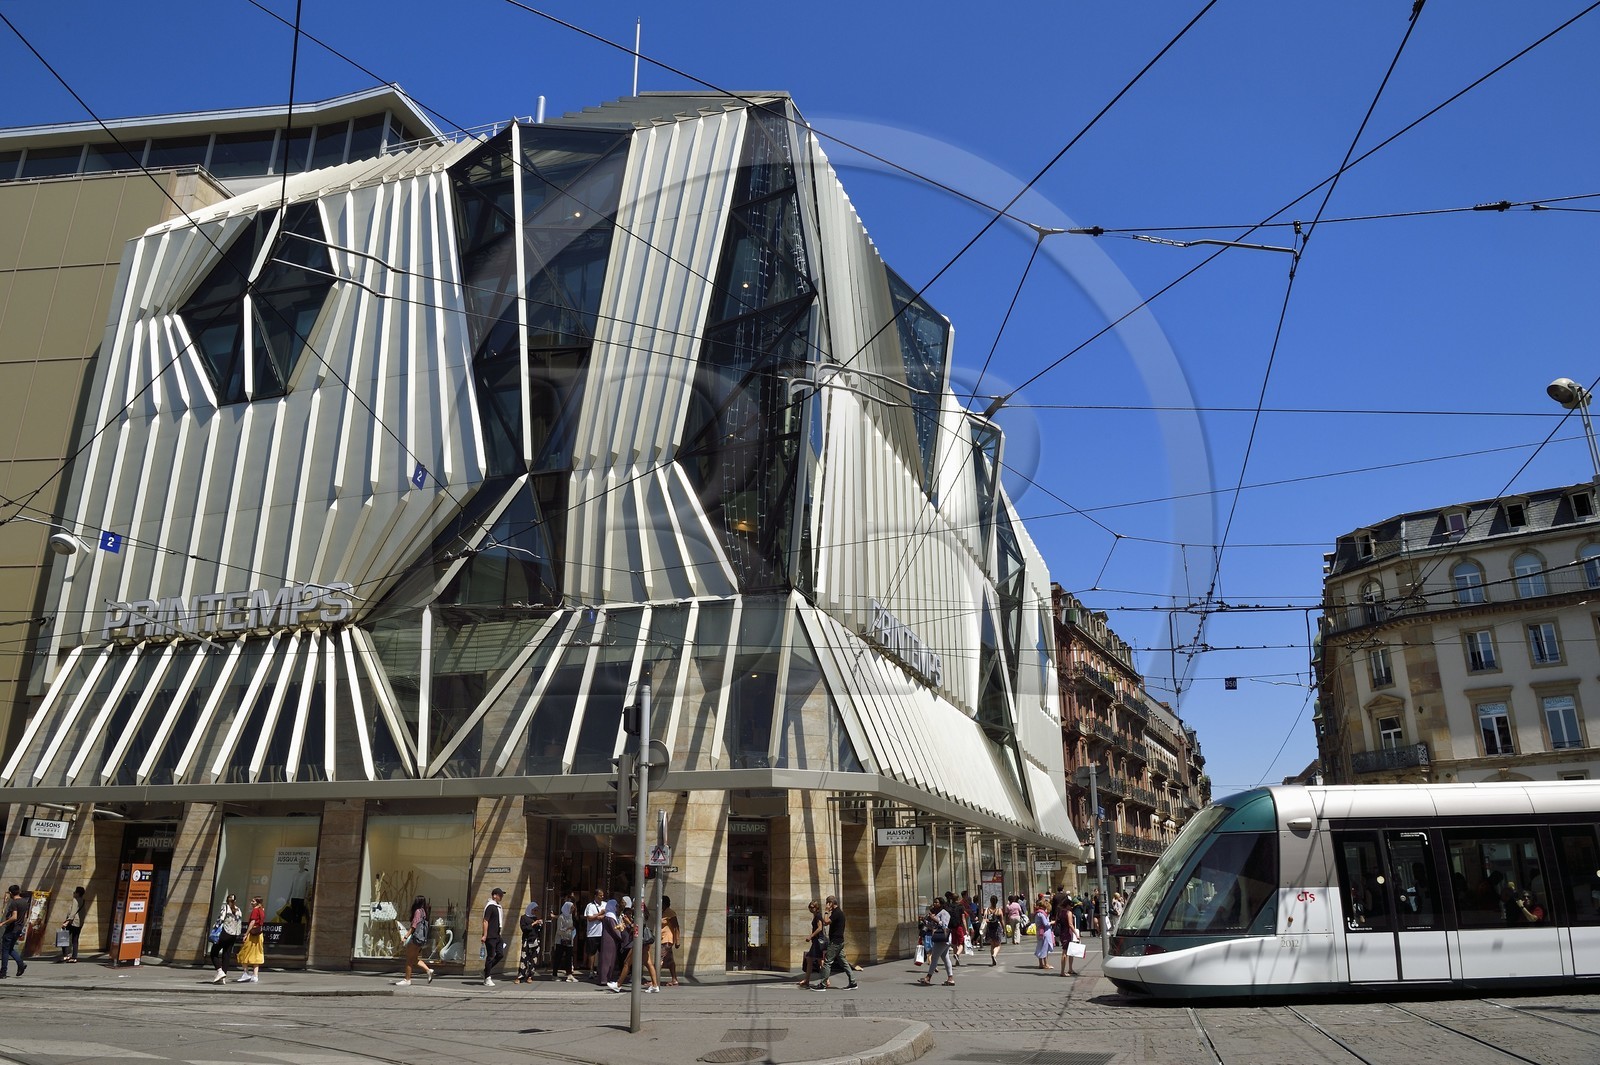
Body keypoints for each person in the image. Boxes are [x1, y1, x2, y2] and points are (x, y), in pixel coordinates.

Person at [808, 895, 857, 990]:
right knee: (844, 963)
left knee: (827, 962)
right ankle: (853, 982)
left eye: (827, 903)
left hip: (835, 942)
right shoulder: (838, 913)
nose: (827, 906)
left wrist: (826, 911)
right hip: (840, 941)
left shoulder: (837, 913)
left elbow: (825, 922)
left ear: (831, 903)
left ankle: (822, 984)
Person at [396, 894, 435, 986]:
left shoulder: (418, 911)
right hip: (421, 939)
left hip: (415, 938)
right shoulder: (424, 912)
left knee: (409, 959)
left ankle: (407, 980)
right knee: (414, 959)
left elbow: (414, 926)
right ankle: (428, 970)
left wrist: (405, 937)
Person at [916, 900, 954, 986]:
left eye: (937, 902)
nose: (935, 904)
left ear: (941, 904)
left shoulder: (944, 913)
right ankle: (950, 978)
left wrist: (935, 919)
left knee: (934, 958)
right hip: (940, 938)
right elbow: (931, 926)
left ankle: (928, 978)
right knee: (945, 957)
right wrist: (925, 921)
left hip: (942, 938)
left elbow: (944, 925)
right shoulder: (935, 913)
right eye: (934, 902)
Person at [210, 892, 243, 983]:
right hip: (233, 935)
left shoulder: (225, 907)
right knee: (226, 955)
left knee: (213, 952)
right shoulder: (238, 910)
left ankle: (220, 971)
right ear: (235, 901)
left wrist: (215, 928)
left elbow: (220, 919)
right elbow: (239, 923)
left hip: (225, 933)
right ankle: (223, 977)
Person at [480, 887, 507, 987]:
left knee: (500, 954)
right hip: (490, 936)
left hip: (497, 935)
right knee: (490, 956)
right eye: (500, 895)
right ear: (494, 895)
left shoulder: (497, 907)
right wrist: (485, 935)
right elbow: (485, 921)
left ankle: (486, 971)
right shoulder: (490, 906)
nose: (501, 897)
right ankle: (487, 977)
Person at [235, 895, 266, 982]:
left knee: (243, 953)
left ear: (257, 902)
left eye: (253, 901)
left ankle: (246, 973)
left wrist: (246, 933)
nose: (251, 902)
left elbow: (252, 922)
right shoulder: (262, 910)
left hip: (252, 935)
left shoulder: (255, 910)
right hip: (259, 935)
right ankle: (255, 975)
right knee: (256, 954)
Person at [1, 885, 27, 978]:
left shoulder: (14, 903)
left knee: (4, 950)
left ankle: (3, 972)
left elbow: (14, 917)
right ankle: (21, 964)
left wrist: (3, 923)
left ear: (11, 893)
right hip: (19, 928)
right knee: (10, 948)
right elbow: (24, 917)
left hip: (12, 928)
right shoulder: (24, 902)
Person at [514, 900, 543, 983]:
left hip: (535, 940)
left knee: (533, 959)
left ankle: (530, 975)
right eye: (534, 910)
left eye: (536, 910)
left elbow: (539, 931)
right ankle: (520, 975)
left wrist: (540, 925)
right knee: (524, 958)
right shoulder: (524, 918)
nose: (535, 912)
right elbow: (524, 928)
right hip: (527, 940)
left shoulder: (535, 918)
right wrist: (533, 924)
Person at [798, 899, 824, 988]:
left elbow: (820, 928)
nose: (810, 909)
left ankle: (809, 980)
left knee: (812, 959)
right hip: (816, 941)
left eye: (812, 907)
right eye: (809, 907)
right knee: (817, 961)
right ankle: (808, 980)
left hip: (818, 941)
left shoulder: (818, 916)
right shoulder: (816, 916)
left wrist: (811, 936)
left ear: (816, 908)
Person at [553, 893, 577, 982]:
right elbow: (559, 930)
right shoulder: (561, 917)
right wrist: (568, 929)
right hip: (560, 940)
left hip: (569, 940)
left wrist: (571, 929)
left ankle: (569, 974)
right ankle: (554, 974)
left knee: (568, 957)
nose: (572, 910)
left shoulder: (570, 917)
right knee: (558, 957)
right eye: (571, 908)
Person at [583, 889, 606, 980]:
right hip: (592, 933)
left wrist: (601, 917)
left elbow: (608, 916)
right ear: (596, 896)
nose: (602, 897)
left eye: (602, 895)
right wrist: (599, 915)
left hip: (603, 933)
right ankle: (591, 970)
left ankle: (601, 970)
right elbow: (589, 918)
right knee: (592, 953)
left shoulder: (605, 904)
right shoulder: (590, 906)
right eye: (600, 895)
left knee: (602, 952)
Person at [1056, 893, 1080, 977]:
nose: (1072, 907)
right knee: (1065, 952)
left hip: (1062, 933)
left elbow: (1057, 922)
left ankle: (1070, 969)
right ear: (1067, 905)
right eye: (1071, 905)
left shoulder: (1060, 912)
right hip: (1067, 933)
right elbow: (1070, 924)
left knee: (1069, 951)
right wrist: (1076, 934)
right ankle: (1063, 971)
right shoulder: (1068, 913)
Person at [659, 895, 681, 987]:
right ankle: (674, 979)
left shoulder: (670, 913)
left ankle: (654, 980)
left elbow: (676, 927)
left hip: (667, 939)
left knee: (660, 959)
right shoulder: (662, 912)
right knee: (670, 961)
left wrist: (677, 941)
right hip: (663, 938)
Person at [61, 885, 84, 963]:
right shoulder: (83, 901)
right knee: (75, 940)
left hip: (73, 922)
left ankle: (65, 955)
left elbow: (73, 912)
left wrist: (67, 921)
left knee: (64, 937)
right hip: (79, 923)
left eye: (75, 892)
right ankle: (74, 957)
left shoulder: (75, 900)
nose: (73, 893)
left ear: (77, 893)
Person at [1032, 897, 1052, 970]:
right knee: (1044, 947)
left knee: (1040, 947)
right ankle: (1046, 964)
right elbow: (1046, 924)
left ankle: (1041, 963)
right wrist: (1052, 922)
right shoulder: (1042, 914)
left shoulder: (1037, 913)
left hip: (1039, 931)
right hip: (1043, 931)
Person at [984, 895, 1005, 966]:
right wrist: (1004, 929)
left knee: (992, 944)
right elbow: (1002, 921)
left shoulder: (987, 910)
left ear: (990, 901)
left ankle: (992, 959)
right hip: (997, 928)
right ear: (997, 902)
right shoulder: (999, 910)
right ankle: (994, 955)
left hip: (990, 928)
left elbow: (985, 919)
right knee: (998, 944)